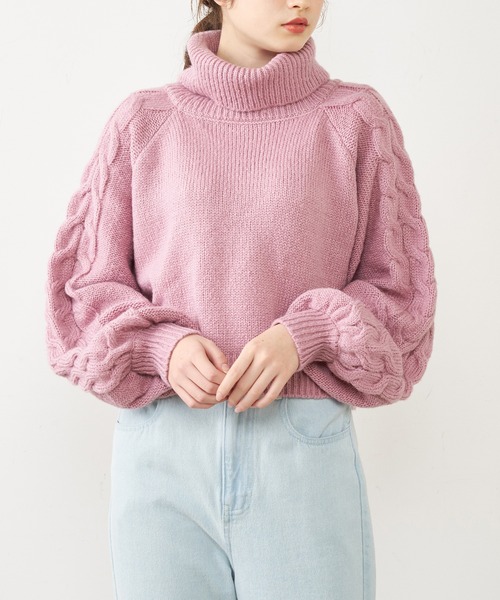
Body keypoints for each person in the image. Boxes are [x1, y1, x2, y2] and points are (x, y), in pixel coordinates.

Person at [44, 0, 437, 598]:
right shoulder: (143, 122)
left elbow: (403, 294)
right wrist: (159, 346)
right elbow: (80, 295)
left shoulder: (355, 120)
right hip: (161, 453)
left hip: (300, 453)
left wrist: (307, 335)